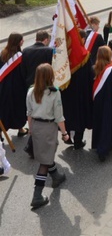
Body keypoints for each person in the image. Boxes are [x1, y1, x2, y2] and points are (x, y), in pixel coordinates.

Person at [26, 63, 68, 209]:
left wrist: (31, 129)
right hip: (48, 128)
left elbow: (29, 114)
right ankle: (37, 195)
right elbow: (59, 117)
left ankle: (56, 176)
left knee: (46, 155)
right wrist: (65, 133)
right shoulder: (54, 93)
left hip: (36, 127)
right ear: (50, 76)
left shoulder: (30, 91)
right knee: (44, 162)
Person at [21, 30, 54, 158]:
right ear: (45, 39)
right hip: (44, 87)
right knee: (42, 117)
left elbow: (23, 69)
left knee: (34, 114)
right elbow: (51, 70)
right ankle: (33, 146)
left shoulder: (26, 51)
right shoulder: (48, 51)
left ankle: (32, 146)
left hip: (30, 85)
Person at [60, 29, 93, 150]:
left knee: (68, 114)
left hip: (66, 91)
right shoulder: (84, 55)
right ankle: (78, 141)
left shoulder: (63, 56)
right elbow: (91, 76)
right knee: (80, 116)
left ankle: (67, 136)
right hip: (82, 92)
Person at [92, 46, 112, 162]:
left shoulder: (94, 68)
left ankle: (98, 144)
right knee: (108, 126)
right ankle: (103, 149)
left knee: (99, 124)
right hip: (110, 103)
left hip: (97, 103)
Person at [0, 32, 28, 137]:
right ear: (18, 42)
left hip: (3, 87)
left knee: (5, 108)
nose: (23, 41)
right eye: (22, 39)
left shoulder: (3, 53)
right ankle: (20, 128)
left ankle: (1, 131)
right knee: (18, 108)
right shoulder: (20, 56)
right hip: (17, 87)